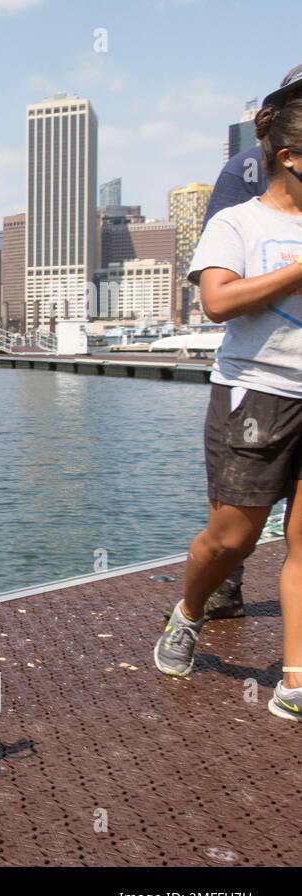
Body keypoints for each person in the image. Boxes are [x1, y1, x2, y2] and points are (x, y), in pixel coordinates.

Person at [153, 97, 302, 724]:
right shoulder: (239, 224)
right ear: (291, 158)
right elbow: (216, 301)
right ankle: (187, 614)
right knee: (234, 538)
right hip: (258, 394)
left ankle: (294, 680)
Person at [191, 64, 302, 619]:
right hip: (258, 377)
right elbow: (220, 283)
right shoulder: (245, 171)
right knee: (234, 526)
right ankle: (218, 585)